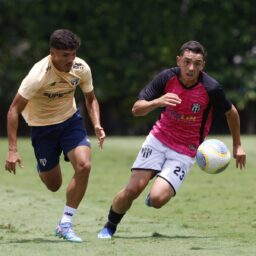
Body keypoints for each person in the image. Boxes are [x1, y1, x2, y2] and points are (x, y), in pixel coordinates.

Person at [97, 40, 246, 239]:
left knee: (158, 199)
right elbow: (136, 109)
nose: (191, 68)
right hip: (158, 140)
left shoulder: (211, 88)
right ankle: (110, 225)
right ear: (179, 61)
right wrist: (158, 101)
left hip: (185, 150)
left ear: (203, 65)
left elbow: (232, 113)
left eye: (197, 63)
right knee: (133, 189)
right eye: (187, 62)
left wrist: (237, 145)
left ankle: (155, 195)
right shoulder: (166, 78)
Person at [5, 29, 105, 242]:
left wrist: (96, 124)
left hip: (70, 121)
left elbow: (90, 98)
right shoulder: (37, 75)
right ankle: (43, 166)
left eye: (73, 54)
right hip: (42, 128)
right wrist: (12, 150)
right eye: (65, 55)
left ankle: (65, 224)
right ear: (52, 53)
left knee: (84, 165)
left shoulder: (81, 68)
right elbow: (13, 110)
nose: (70, 60)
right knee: (54, 185)